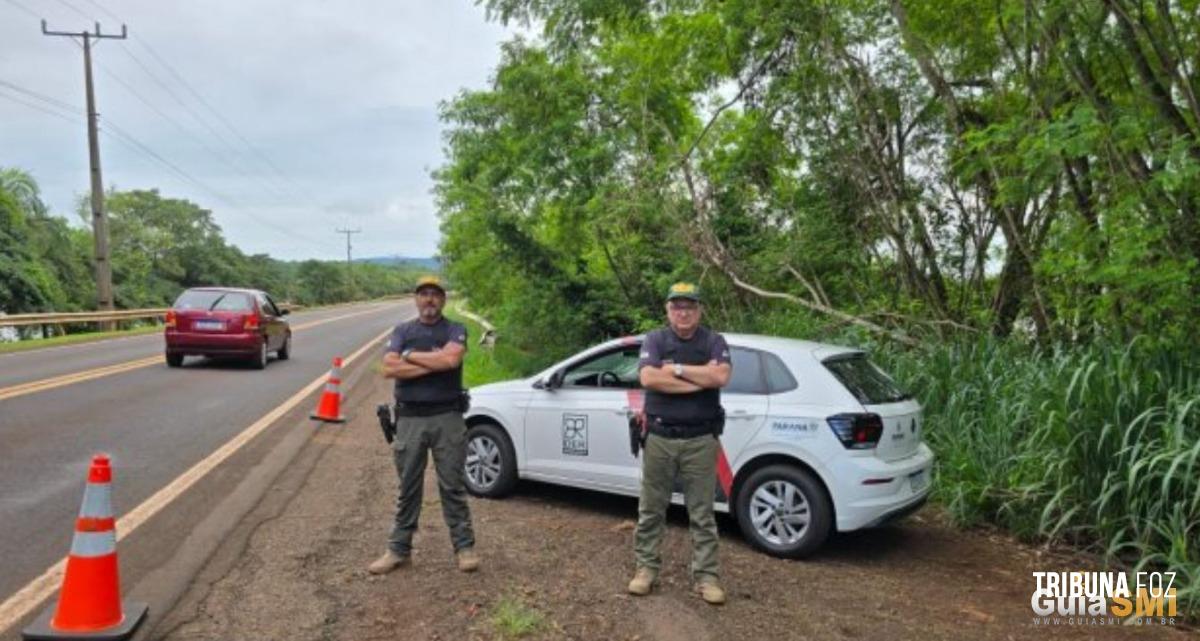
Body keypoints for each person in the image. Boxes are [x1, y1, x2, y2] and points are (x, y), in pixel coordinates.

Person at [628, 282, 732, 605]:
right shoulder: (655, 339)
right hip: (660, 437)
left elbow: (720, 378)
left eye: (689, 306)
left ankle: (707, 577)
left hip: (701, 439)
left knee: (702, 513)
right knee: (651, 509)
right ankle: (646, 569)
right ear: (667, 310)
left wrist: (676, 369)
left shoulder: (714, 341)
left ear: (699, 310)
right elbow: (648, 379)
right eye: (676, 306)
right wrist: (698, 380)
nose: (683, 312)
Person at [370, 275, 480, 574]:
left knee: (453, 486)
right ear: (416, 299)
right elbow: (388, 367)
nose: (429, 299)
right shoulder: (402, 330)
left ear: (443, 299)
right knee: (407, 487)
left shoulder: (455, 329)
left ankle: (465, 547)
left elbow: (450, 362)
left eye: (435, 294)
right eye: (424, 294)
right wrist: (432, 360)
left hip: (447, 417)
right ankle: (398, 550)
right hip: (409, 420)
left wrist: (409, 357)